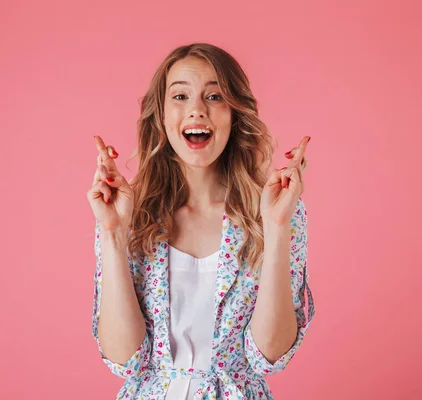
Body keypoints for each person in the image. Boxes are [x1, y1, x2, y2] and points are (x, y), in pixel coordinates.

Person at [87, 43, 314, 400]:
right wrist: (113, 233)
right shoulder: (130, 213)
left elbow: (269, 356)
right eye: (180, 96)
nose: (196, 110)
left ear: (235, 114)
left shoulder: (274, 211)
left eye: (214, 96)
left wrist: (277, 226)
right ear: (161, 116)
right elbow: (123, 360)